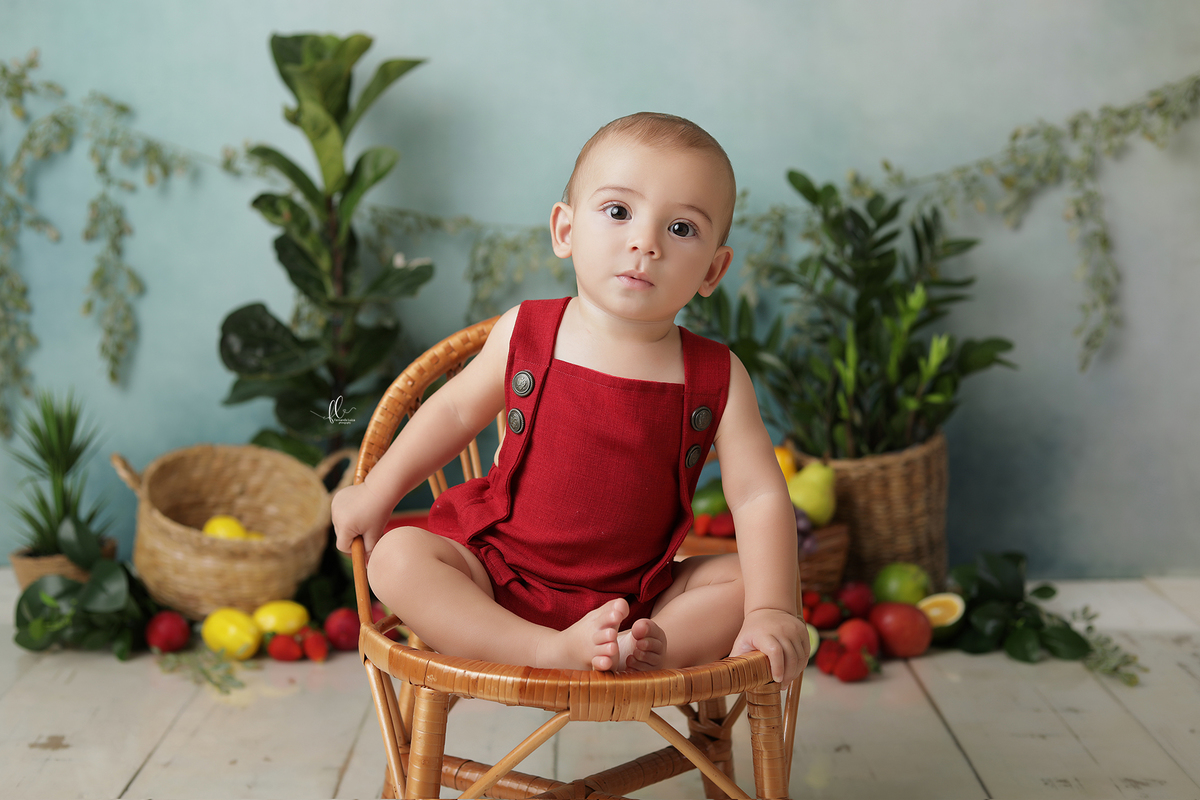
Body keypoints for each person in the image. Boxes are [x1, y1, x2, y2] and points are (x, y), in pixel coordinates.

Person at [333, 112, 808, 684]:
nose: (645, 243)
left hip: (638, 602)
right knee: (396, 558)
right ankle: (544, 649)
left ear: (713, 269)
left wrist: (771, 608)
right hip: (496, 576)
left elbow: (757, 495)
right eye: (618, 212)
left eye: (681, 228)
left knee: (754, 578)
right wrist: (378, 491)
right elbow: (454, 412)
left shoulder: (717, 375)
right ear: (565, 230)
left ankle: (648, 653)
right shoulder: (526, 331)